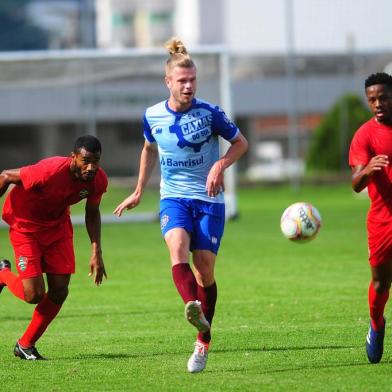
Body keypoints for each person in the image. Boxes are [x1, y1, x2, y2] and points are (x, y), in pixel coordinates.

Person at [114, 37, 248, 373]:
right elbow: (148, 149)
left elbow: (240, 143)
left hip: (209, 200)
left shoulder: (211, 113)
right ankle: (193, 309)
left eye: (193, 81)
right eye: (182, 81)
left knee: (204, 269)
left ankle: (203, 339)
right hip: (173, 197)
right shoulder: (152, 116)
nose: (188, 86)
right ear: (168, 82)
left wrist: (220, 165)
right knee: (176, 249)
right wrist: (138, 189)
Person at [0, 134, 108, 360]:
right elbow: (6, 176)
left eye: (96, 161)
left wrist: (96, 250)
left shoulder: (97, 180)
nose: (91, 167)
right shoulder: (48, 171)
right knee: (34, 295)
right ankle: (3, 274)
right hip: (25, 227)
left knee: (59, 290)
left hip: (57, 229)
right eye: (86, 161)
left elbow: (92, 212)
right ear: (73, 158)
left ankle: (25, 344)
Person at [349, 72, 392, 364]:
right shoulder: (365, 135)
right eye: (372, 99)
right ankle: (376, 324)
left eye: (383, 98)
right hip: (382, 220)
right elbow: (355, 183)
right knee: (380, 284)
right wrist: (368, 169)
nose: (377, 103)